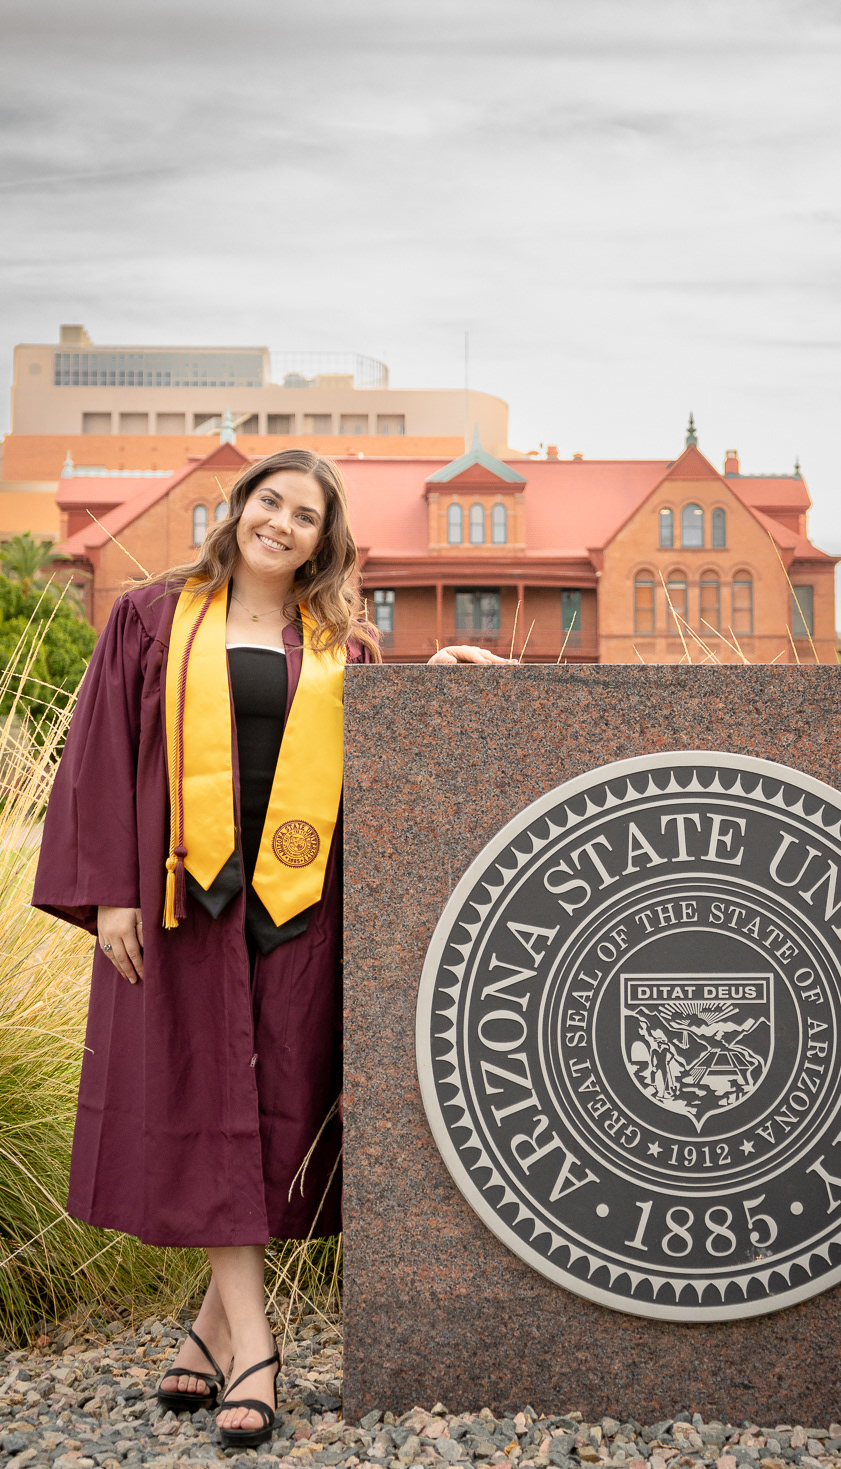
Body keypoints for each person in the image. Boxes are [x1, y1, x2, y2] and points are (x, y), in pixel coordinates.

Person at [32, 448, 508, 1448]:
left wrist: (436, 678)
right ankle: (255, 1345)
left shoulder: (337, 642)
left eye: (305, 515)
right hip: (178, 900)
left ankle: (208, 1332)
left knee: (276, 1110)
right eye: (270, 501)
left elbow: (373, 748)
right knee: (203, 1100)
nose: (281, 523)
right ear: (240, 507)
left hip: (297, 907)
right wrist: (111, 891)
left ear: (323, 541)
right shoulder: (153, 616)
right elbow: (100, 750)